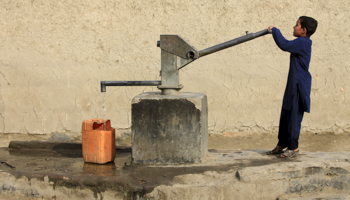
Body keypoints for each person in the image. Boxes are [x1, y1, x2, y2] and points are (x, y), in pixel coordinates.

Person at [266, 16, 318, 158]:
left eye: (297, 25)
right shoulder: (301, 41)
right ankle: (282, 143)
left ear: (303, 30)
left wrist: (275, 30)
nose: (294, 27)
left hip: (299, 85)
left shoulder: (303, 42)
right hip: (293, 84)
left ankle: (293, 147)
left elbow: (284, 44)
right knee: (285, 114)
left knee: (294, 117)